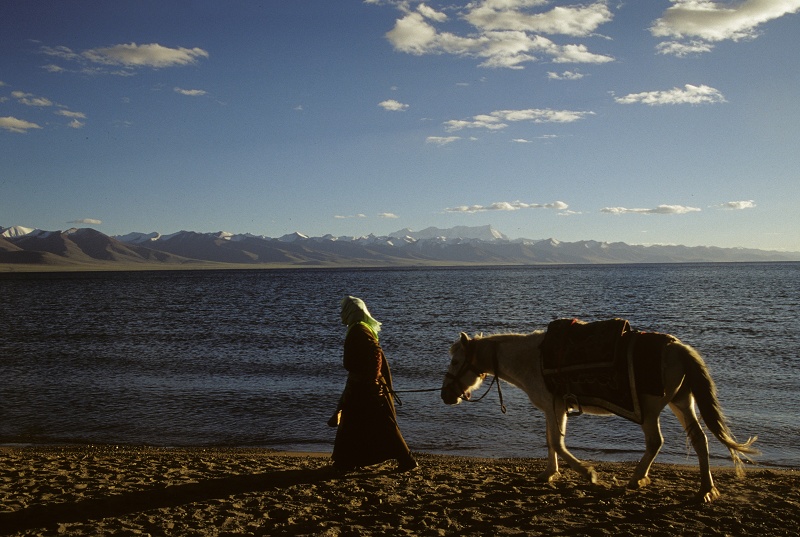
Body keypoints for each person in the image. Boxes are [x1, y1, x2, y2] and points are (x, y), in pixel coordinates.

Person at [330, 296, 418, 473]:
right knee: (355, 423)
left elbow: (375, 353)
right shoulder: (360, 328)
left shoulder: (359, 330)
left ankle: (407, 460)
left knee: (381, 423)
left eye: (345, 310)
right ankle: (346, 461)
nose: (342, 314)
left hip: (366, 386)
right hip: (361, 384)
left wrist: (373, 380)